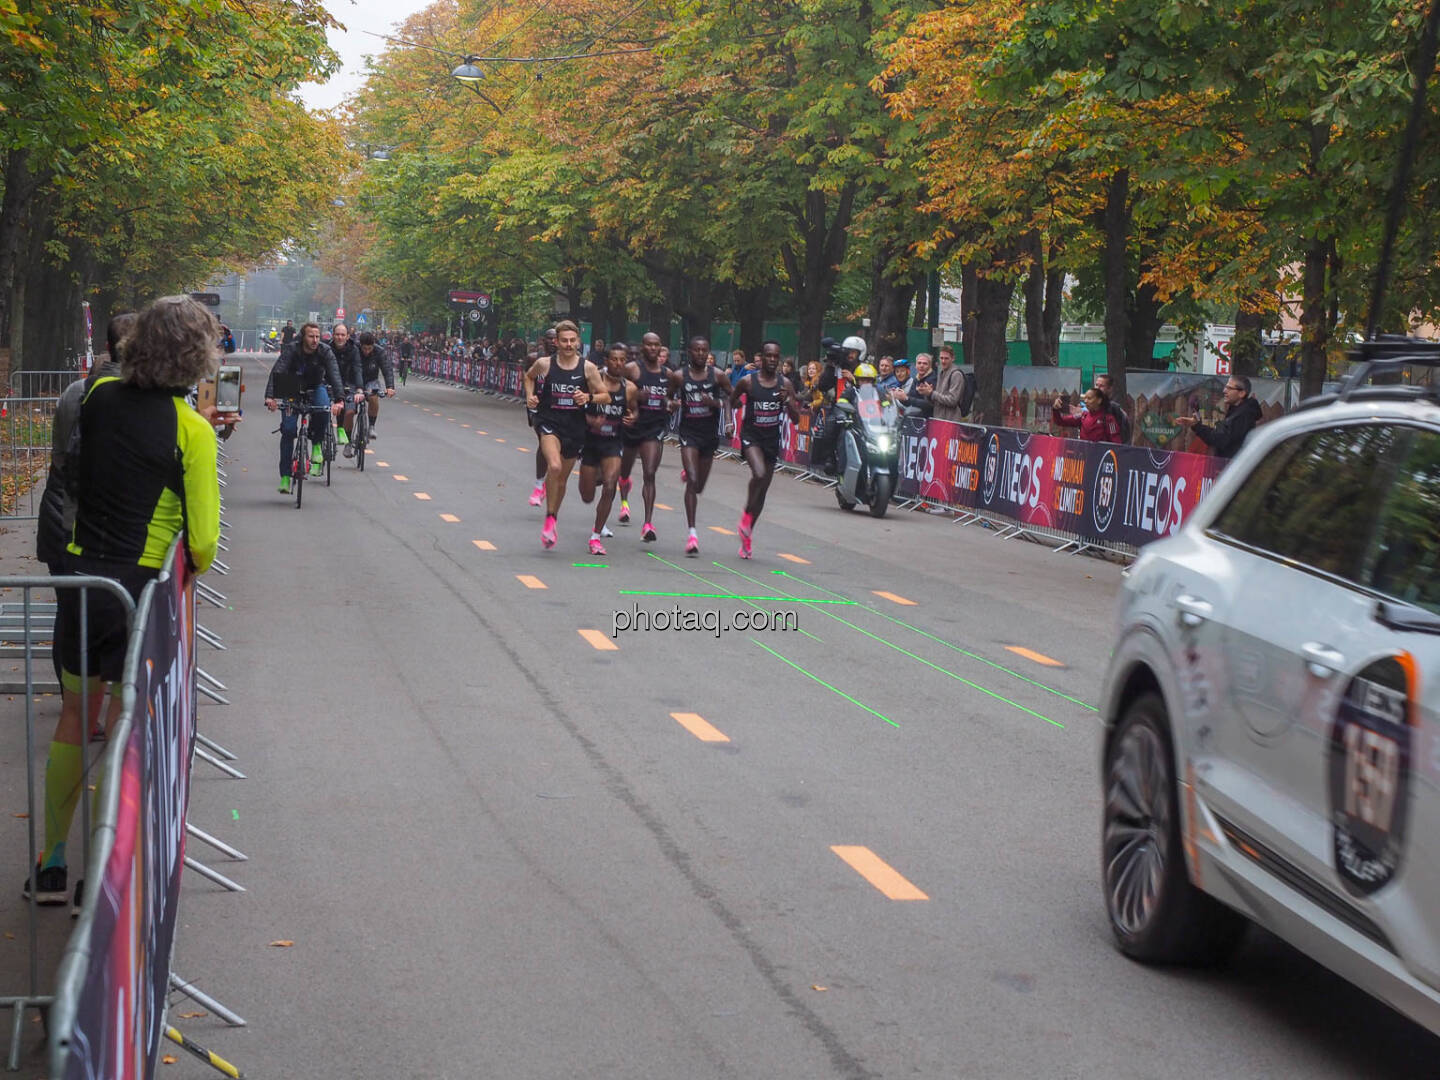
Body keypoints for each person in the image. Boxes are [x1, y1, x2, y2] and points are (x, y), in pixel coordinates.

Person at [25, 296, 222, 910]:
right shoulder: (191, 429)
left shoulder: (93, 399)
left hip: (82, 579)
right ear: (197, 356)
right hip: (139, 594)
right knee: (123, 730)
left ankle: (51, 862)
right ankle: (100, 877)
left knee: (73, 720)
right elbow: (207, 542)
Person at [525, 321, 614, 549]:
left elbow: (606, 396)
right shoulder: (544, 364)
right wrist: (530, 397)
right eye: (563, 340)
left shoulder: (588, 368)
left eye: (572, 340)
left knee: (561, 479)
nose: (568, 344)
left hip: (574, 428)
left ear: (578, 342)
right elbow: (529, 377)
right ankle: (548, 512)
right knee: (553, 466)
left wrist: (588, 398)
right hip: (548, 423)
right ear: (556, 342)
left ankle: (551, 517)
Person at [731, 341, 800, 559]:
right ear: (762, 357)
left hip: (771, 440)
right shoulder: (747, 382)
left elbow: (796, 418)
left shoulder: (785, 384)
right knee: (758, 474)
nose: (772, 360)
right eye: (768, 356)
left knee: (762, 492)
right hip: (751, 437)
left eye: (775, 357)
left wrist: (787, 401)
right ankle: (745, 516)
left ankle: (748, 533)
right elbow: (732, 401)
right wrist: (731, 419)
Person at [263, 322, 345, 491]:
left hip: (316, 386)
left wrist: (339, 399)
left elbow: (334, 374)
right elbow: (278, 371)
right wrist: (270, 397)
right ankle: (285, 477)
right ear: (303, 337)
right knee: (288, 430)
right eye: (311, 336)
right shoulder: (292, 349)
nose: (315, 340)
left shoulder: (325, 351)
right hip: (292, 387)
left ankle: (316, 445)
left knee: (323, 409)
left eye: (317, 336)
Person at [618, 332, 681, 540]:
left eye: (657, 345)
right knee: (624, 471)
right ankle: (624, 500)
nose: (653, 348)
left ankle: (647, 524)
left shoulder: (668, 375)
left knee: (650, 473)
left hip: (653, 428)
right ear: (643, 347)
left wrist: (671, 405)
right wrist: (633, 398)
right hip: (631, 428)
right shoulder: (632, 369)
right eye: (649, 345)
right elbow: (616, 392)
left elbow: (669, 399)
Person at [578, 343, 638, 555]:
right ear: (606, 361)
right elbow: (578, 406)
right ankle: (594, 479)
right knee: (587, 494)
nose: (619, 363)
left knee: (611, 485)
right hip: (591, 442)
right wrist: (591, 420)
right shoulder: (594, 381)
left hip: (613, 441)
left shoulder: (629, 388)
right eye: (614, 359)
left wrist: (632, 418)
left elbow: (634, 411)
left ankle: (595, 537)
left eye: (623, 360)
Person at [675, 335, 732, 555]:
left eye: (704, 350)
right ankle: (692, 533)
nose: (700, 354)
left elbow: (731, 399)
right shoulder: (680, 376)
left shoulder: (717, 375)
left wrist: (719, 409)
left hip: (709, 437)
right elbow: (667, 398)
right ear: (690, 352)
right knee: (692, 479)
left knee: (699, 486)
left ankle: (690, 473)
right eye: (696, 350)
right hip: (689, 433)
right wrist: (671, 404)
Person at [1176, 376, 1262, 458]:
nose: (1224, 391)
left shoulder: (1243, 415)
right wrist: (1196, 424)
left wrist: (1197, 426)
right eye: (1225, 387)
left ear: (1242, 393)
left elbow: (1220, 439)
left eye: (1229, 388)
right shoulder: (1238, 410)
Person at [341, 332, 397, 456]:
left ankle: (371, 426)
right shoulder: (353, 350)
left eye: (369, 348)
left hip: (371, 381)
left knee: (374, 398)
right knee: (349, 412)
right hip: (352, 382)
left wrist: (390, 387)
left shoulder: (380, 352)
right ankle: (348, 442)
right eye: (364, 348)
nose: (367, 351)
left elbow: (387, 369)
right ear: (360, 345)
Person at [330, 323, 360, 451]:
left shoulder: (354, 349)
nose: (340, 337)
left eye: (343, 335)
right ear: (333, 335)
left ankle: (348, 441)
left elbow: (358, 369)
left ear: (348, 336)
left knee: (349, 411)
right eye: (337, 334)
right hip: (331, 383)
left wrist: (359, 388)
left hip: (350, 384)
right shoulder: (327, 348)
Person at [1052, 388, 1122, 442]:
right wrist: (1055, 409)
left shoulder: (1109, 419)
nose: (1085, 401)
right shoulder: (1083, 416)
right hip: (1084, 458)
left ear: (1099, 400)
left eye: (1089, 398)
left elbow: (1116, 443)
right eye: (1085, 398)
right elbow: (1060, 421)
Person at [931, 345, 971, 422]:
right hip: (939, 419)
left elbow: (952, 400)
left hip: (950, 421)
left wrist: (933, 394)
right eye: (941, 358)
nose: (943, 361)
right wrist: (928, 393)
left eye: (946, 358)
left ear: (953, 358)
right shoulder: (941, 373)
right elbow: (938, 399)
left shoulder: (956, 374)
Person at [1093, 372, 1132, 443]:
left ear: (1109, 389)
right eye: (1096, 385)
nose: (1097, 388)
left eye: (1101, 386)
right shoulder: (1091, 408)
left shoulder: (1115, 409)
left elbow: (1123, 435)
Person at [909, 353, 936, 418]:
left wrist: (907, 399)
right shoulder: (916, 378)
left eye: (925, 363)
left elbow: (929, 404)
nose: (921, 366)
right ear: (915, 365)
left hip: (929, 419)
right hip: (917, 417)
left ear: (930, 366)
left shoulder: (933, 379)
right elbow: (910, 396)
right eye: (919, 363)